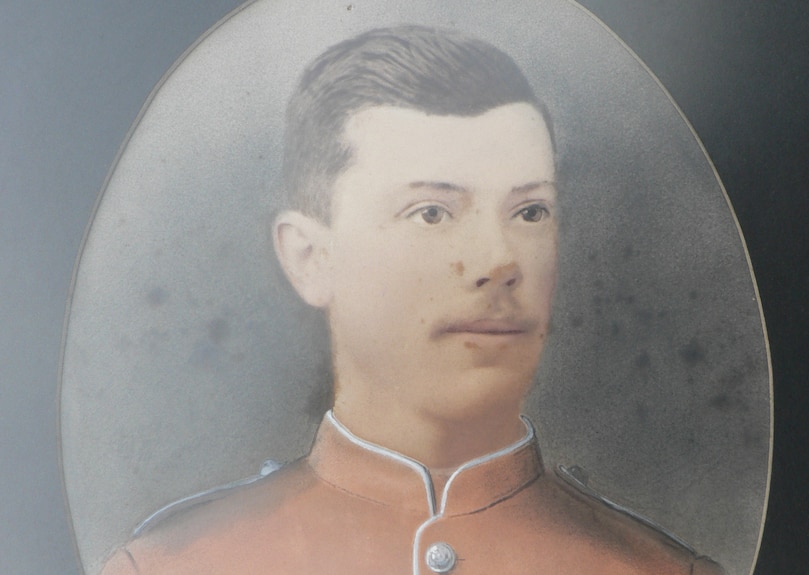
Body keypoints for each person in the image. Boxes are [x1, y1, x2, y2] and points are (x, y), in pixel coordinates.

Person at [101, 25, 723, 575]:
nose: (499, 261)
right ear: (310, 258)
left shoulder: (658, 570)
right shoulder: (171, 566)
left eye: (530, 211)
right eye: (432, 212)